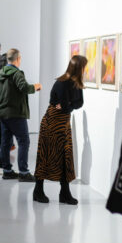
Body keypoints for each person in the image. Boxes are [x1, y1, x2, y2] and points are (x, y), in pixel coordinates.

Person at [33, 55, 87, 204]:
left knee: (66, 157)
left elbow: (79, 103)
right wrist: (69, 104)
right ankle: (38, 191)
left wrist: (68, 104)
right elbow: (65, 106)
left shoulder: (76, 82)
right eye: (83, 66)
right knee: (46, 155)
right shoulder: (62, 82)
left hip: (64, 123)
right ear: (78, 68)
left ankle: (64, 193)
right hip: (52, 123)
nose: (85, 69)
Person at [0, 48, 41, 182]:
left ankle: (7, 171)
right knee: (24, 141)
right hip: (16, 114)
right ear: (18, 59)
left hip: (3, 114)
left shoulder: (0, 72)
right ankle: (24, 172)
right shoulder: (17, 73)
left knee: (6, 142)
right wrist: (35, 87)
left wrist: (4, 105)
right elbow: (25, 88)